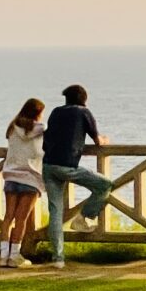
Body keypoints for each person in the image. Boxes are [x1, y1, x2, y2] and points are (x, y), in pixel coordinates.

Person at [42, 84, 111, 268]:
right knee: (105, 184)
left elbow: (47, 138)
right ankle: (84, 217)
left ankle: (58, 259)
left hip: (48, 165)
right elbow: (98, 141)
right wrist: (105, 140)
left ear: (66, 98)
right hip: (68, 166)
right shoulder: (83, 112)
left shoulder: (56, 112)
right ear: (84, 99)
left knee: (55, 212)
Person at [0, 97, 46, 268]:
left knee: (8, 217)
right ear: (38, 114)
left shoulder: (12, 128)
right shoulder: (40, 129)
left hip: (11, 176)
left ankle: (3, 255)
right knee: (21, 219)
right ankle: (15, 255)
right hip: (30, 178)